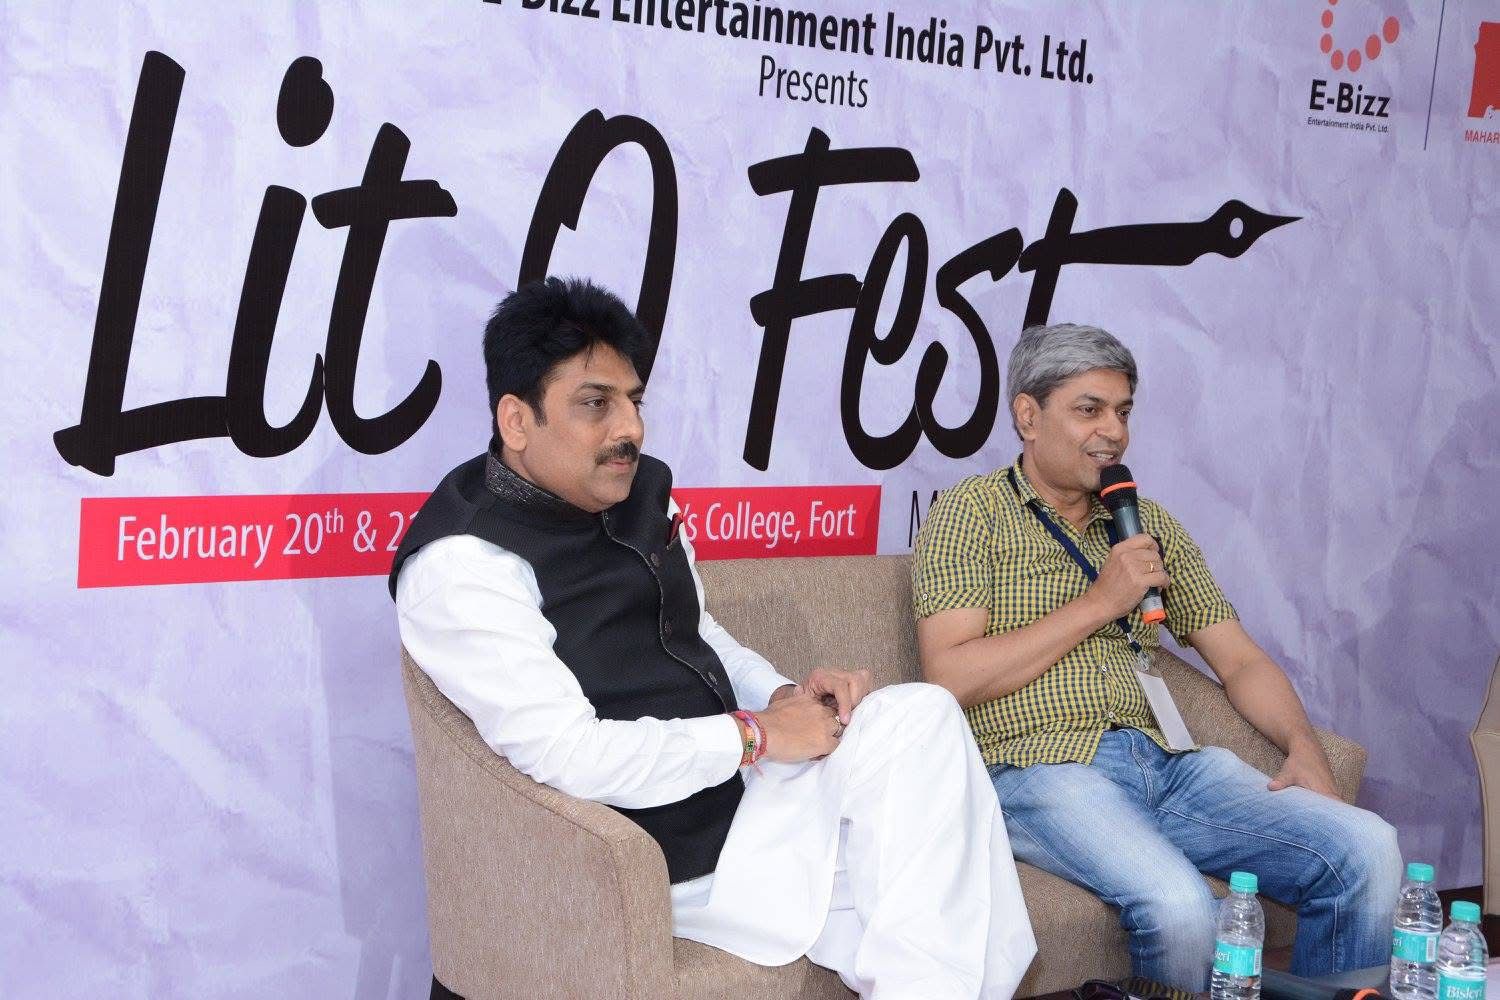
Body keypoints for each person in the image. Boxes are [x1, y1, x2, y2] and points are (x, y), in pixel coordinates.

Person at [392, 277, 1036, 999]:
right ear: (517, 421)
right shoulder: (463, 564)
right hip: (656, 856)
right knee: (947, 900)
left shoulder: (641, 490)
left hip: (744, 795)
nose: (630, 429)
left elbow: (697, 633)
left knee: (920, 716)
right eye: (595, 403)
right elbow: (570, 755)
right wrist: (755, 736)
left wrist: (784, 697)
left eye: (635, 400)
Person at [911, 323, 1402, 991]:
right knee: (1180, 907)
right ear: (1028, 415)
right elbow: (950, 675)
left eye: (1123, 411)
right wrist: (1101, 601)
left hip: (1166, 763)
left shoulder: (1145, 523)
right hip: (1035, 769)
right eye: (1089, 410)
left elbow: (1239, 661)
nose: (1113, 432)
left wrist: (1302, 745)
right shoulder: (972, 513)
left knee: (1367, 847)